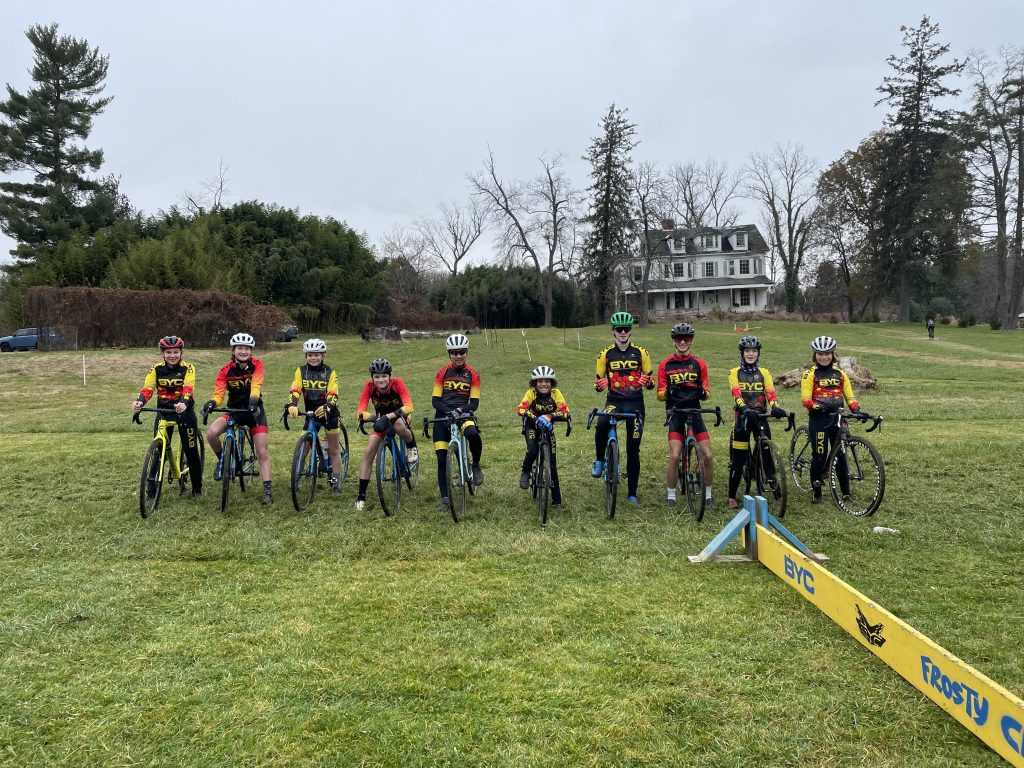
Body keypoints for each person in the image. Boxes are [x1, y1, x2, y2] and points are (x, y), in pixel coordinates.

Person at [202, 332, 273, 505]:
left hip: (254, 412)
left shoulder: (257, 364)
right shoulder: (225, 370)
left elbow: (256, 385)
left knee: (262, 452)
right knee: (211, 433)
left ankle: (268, 490)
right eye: (240, 348)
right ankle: (222, 460)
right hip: (234, 410)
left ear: (251, 351)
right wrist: (212, 402)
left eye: (247, 348)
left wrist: (253, 401)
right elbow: (219, 393)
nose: (243, 351)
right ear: (233, 350)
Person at [592, 311, 654, 505]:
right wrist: (599, 385)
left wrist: (648, 382)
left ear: (630, 331)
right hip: (614, 402)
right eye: (619, 329)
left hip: (636, 404)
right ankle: (599, 460)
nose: (623, 332)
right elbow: (597, 381)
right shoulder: (605, 354)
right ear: (613, 331)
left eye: (626, 329)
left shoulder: (641, 352)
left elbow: (651, 380)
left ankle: (632, 493)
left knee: (633, 450)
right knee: (602, 423)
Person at [132, 335, 203, 497]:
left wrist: (183, 402)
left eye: (176, 352)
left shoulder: (188, 368)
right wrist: (140, 402)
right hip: (164, 412)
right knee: (159, 451)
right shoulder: (156, 369)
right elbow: (148, 388)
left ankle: (197, 489)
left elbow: (188, 388)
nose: (172, 355)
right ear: (162, 354)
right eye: (168, 352)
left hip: (184, 411)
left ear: (181, 352)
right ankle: (151, 491)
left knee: (191, 450)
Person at [726, 335, 787, 509]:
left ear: (758, 353)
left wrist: (775, 407)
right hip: (743, 417)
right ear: (742, 353)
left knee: (766, 452)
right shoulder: (734, 372)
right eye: (747, 351)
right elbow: (736, 393)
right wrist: (744, 408)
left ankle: (775, 488)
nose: (751, 354)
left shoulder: (764, 373)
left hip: (760, 417)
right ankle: (732, 495)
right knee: (738, 458)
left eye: (754, 351)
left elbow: (770, 393)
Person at [656, 322, 713, 508]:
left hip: (694, 412)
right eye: (679, 339)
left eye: (686, 338)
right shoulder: (665, 365)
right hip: (675, 413)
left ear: (691, 341)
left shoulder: (699, 364)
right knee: (674, 456)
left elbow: (707, 392)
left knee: (708, 456)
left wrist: (703, 393)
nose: (682, 342)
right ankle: (671, 495)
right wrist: (667, 392)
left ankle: (708, 495)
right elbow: (659, 394)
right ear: (673, 341)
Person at [801, 335, 860, 504]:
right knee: (819, 455)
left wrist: (856, 409)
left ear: (833, 354)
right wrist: (819, 406)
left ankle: (846, 493)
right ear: (815, 355)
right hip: (819, 420)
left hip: (837, 419)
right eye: (820, 354)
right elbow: (806, 400)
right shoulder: (809, 374)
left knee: (841, 456)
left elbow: (849, 397)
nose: (824, 357)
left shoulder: (841, 374)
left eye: (827, 353)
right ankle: (817, 493)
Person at [354, 357, 417, 511]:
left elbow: (409, 407)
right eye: (376, 376)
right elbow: (360, 411)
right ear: (372, 378)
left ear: (389, 376)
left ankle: (411, 446)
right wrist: (374, 418)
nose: (380, 380)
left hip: (400, 415)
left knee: (399, 426)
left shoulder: (397, 384)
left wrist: (387, 417)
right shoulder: (369, 387)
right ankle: (361, 496)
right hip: (381, 420)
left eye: (384, 376)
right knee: (369, 451)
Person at [430, 333, 483, 509]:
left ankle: (475, 465)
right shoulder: (442, 373)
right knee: (441, 458)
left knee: (473, 434)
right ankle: (445, 498)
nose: (458, 356)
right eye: (454, 353)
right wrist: (449, 411)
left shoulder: (473, 375)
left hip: (463, 415)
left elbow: (474, 403)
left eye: (461, 352)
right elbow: (435, 401)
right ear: (449, 354)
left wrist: (460, 410)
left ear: (467, 352)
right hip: (443, 417)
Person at [286, 338, 343, 494]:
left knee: (333, 450)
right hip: (311, 415)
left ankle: (336, 482)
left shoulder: (330, 372)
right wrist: (292, 404)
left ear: (323, 356)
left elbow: (333, 393)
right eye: (310, 355)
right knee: (302, 449)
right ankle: (296, 478)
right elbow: (295, 389)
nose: (313, 358)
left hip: (329, 414)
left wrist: (328, 406)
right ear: (306, 356)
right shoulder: (301, 371)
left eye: (317, 355)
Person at [516, 365, 570, 510]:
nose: (543, 384)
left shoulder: (556, 393)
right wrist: (535, 418)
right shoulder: (531, 393)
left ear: (552, 383)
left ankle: (557, 500)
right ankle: (526, 471)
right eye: (540, 381)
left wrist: (549, 416)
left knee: (552, 463)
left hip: (547, 427)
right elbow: (521, 409)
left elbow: (565, 410)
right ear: (535, 383)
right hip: (532, 426)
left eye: (547, 381)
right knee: (533, 450)